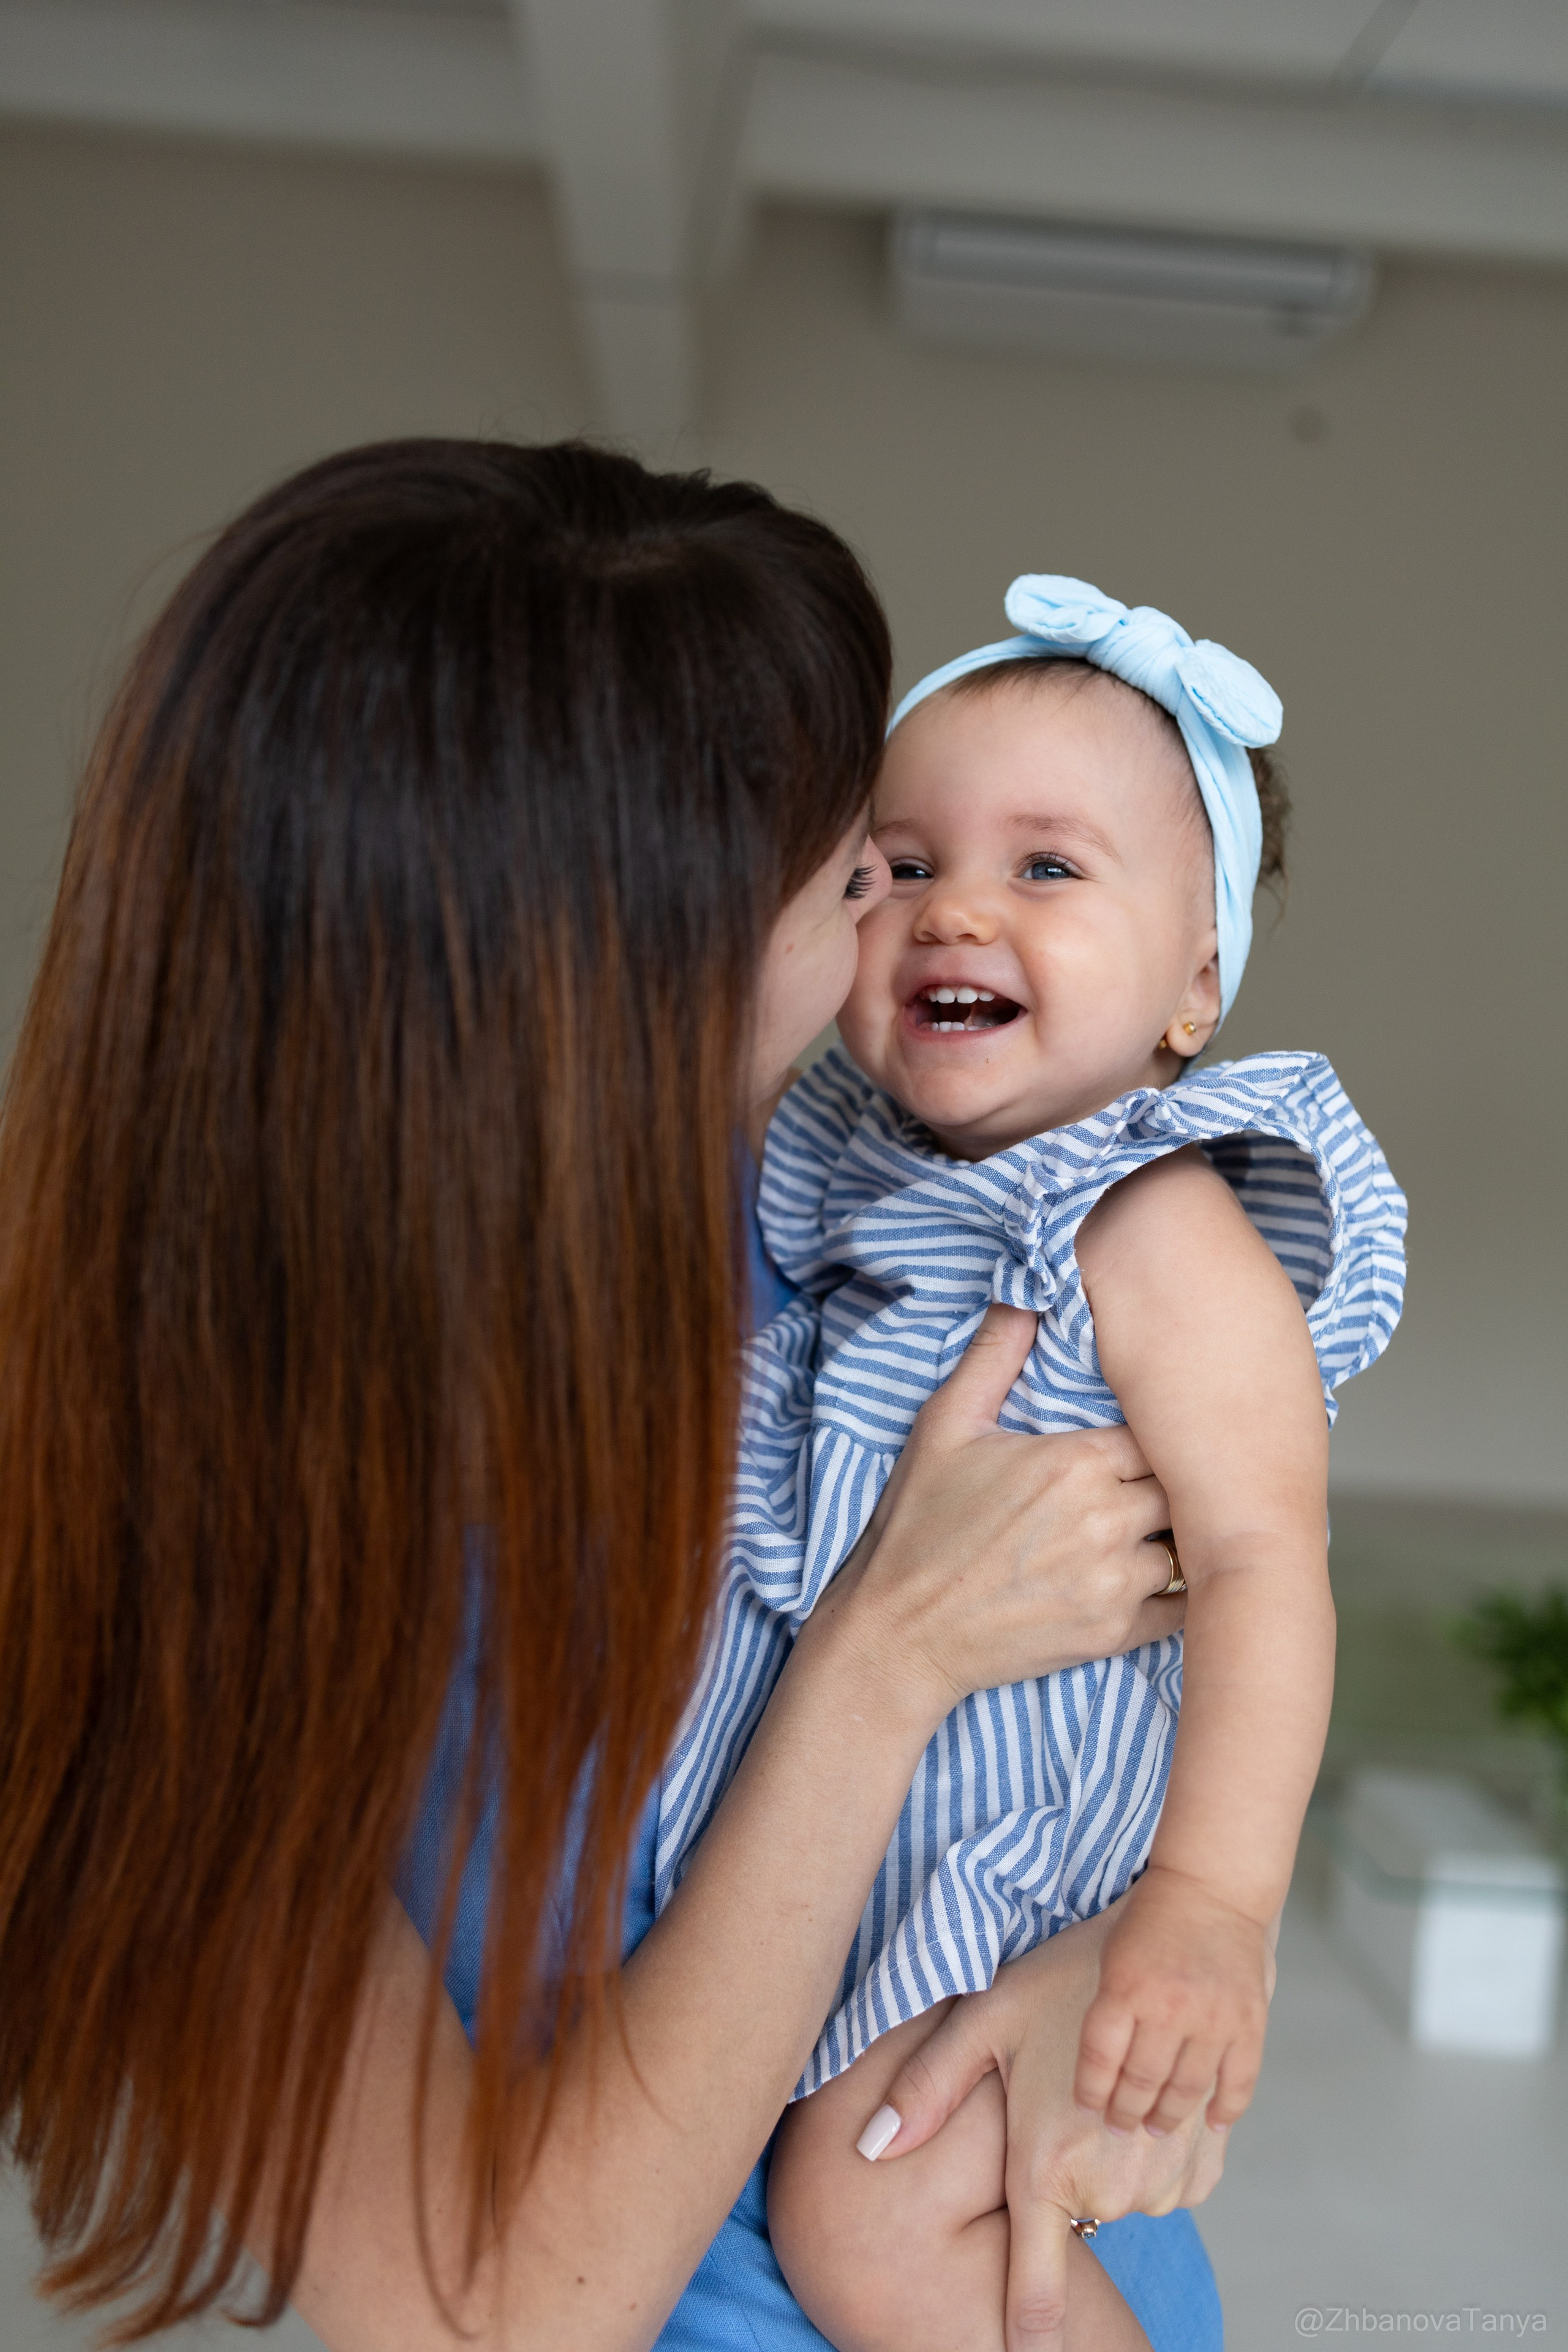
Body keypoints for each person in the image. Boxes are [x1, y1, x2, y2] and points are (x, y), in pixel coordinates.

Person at [0, 449, 1220, 2352]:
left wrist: (1129, 1940)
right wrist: (886, 1663)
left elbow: (1168, 1615)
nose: (902, 919)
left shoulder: (828, 1203)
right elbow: (495, 2317)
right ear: (623, 994)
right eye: (859, 870)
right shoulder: (174, 1550)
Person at [658, 577, 1406, 2351]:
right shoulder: (835, 1161)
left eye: (1049, 870)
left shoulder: (1155, 1223)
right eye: (900, 865)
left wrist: (1212, 1907)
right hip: (837, 1818)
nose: (957, 909)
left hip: (1012, 1855)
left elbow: (1260, 1566)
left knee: (870, 2207)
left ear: (1194, 986)